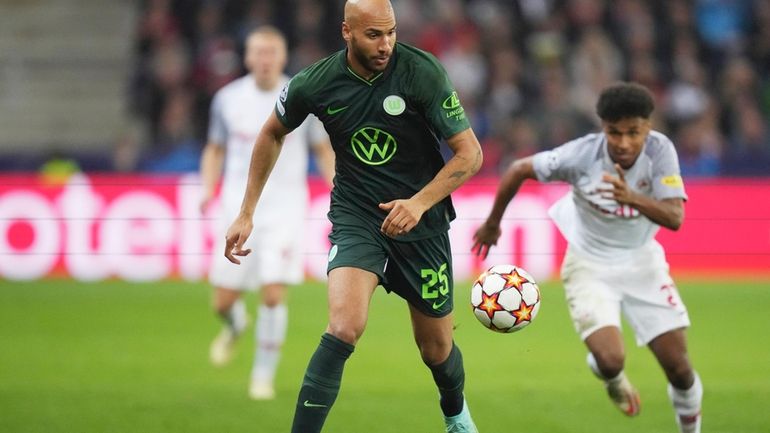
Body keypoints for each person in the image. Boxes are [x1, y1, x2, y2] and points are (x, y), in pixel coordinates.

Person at [224, 1, 483, 431]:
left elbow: (470, 153)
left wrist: (418, 203)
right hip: (357, 215)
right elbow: (272, 132)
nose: (386, 45)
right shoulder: (317, 82)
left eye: (392, 33)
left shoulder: (422, 72)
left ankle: (455, 414)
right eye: (373, 35)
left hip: (422, 223)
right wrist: (246, 211)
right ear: (347, 32)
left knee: (436, 349)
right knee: (344, 326)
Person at [472, 82, 702, 433]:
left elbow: (675, 218)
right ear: (602, 128)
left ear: (647, 128)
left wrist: (632, 198)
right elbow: (519, 169)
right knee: (611, 361)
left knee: (680, 368)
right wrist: (492, 224)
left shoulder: (660, 152)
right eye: (614, 132)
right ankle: (612, 380)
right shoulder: (582, 155)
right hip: (589, 264)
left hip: (643, 263)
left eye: (633, 132)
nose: (623, 143)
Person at [200, 26, 334, 401]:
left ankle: (262, 377)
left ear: (282, 56)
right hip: (236, 208)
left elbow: (323, 150)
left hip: (286, 209)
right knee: (223, 302)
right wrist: (206, 186)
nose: (264, 59)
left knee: (274, 294)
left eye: (271, 52)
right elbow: (214, 149)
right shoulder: (227, 99)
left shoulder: (301, 96)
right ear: (247, 57)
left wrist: (337, 186)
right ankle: (236, 324)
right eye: (257, 52)